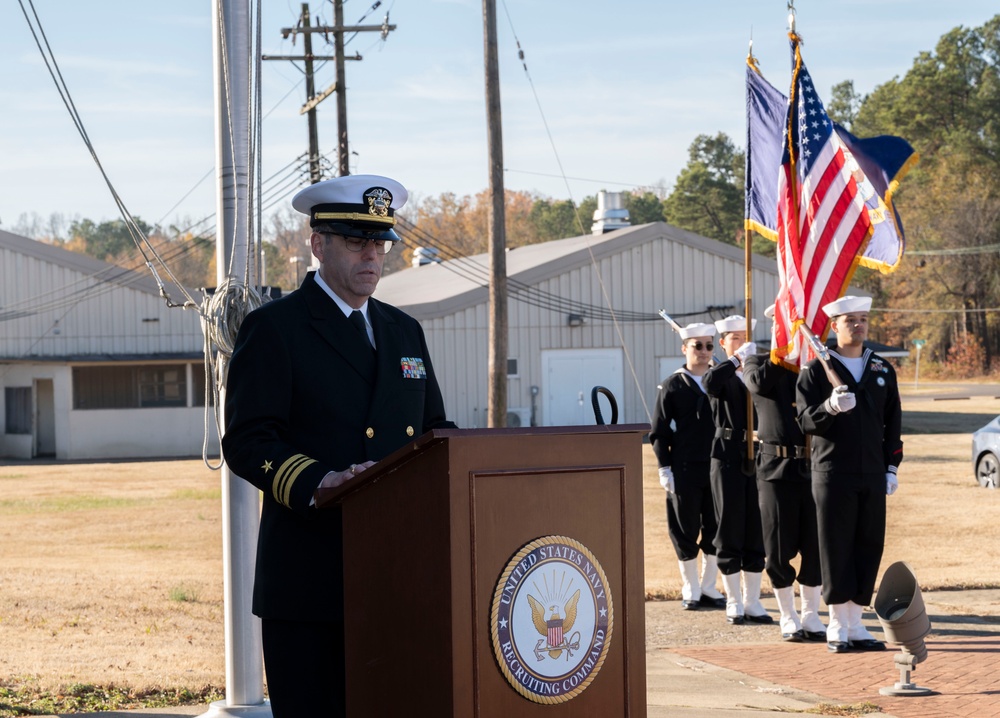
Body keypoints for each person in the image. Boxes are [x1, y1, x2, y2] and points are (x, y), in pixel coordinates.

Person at [222, 174, 456, 716]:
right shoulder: (275, 328)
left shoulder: (404, 331)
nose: (372, 256)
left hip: (397, 576)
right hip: (311, 580)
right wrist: (318, 480)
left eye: (380, 244)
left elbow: (435, 430)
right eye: (356, 242)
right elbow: (248, 439)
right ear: (318, 244)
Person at [796, 295, 902, 654]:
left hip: (872, 472)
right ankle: (837, 624)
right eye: (850, 320)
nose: (858, 325)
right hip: (832, 471)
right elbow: (804, 420)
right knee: (835, 545)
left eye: (863, 319)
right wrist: (829, 407)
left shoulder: (882, 370)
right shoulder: (816, 370)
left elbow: (893, 424)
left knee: (868, 545)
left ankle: (857, 622)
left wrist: (891, 467)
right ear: (834, 326)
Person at [743, 304, 826, 642]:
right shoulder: (760, 364)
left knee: (816, 545)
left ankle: (810, 614)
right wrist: (784, 354)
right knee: (778, 547)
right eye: (786, 327)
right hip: (775, 469)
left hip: (814, 467)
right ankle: (787, 615)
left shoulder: (815, 367)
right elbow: (758, 385)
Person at [649, 323, 727, 611]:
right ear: (684, 348)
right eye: (698, 345)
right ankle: (691, 588)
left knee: (716, 527)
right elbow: (659, 431)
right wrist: (664, 467)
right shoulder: (673, 384)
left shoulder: (720, 381)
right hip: (684, 468)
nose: (705, 352)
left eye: (709, 346)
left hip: (718, 466)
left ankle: (709, 587)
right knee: (684, 527)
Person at [703, 315, 772, 625]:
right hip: (728, 453)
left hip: (759, 452)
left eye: (746, 337)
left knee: (757, 527)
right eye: (735, 338)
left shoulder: (759, 373)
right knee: (729, 525)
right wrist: (734, 360)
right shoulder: (721, 373)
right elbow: (710, 383)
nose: (743, 343)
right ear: (723, 343)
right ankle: (733, 599)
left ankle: (753, 600)